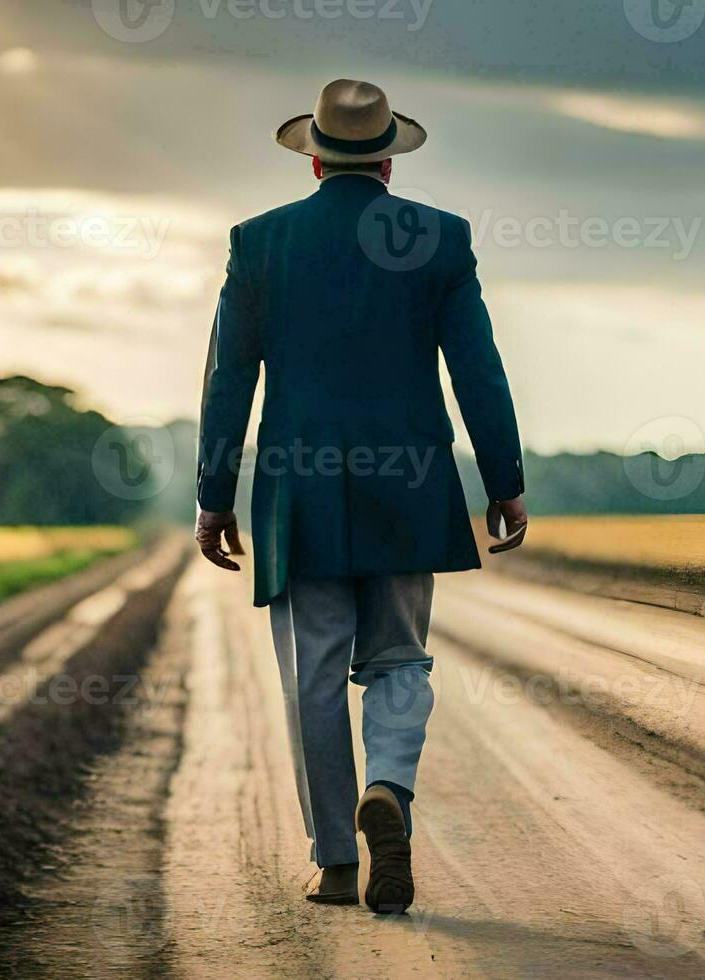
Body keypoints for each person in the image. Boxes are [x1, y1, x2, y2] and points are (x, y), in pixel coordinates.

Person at [194, 79, 529, 914]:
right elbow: (478, 370)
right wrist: (505, 483)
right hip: (408, 482)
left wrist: (213, 494)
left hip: (297, 488)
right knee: (400, 658)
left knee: (311, 678)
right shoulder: (442, 241)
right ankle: (388, 786)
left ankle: (337, 862)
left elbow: (228, 377)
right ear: (388, 158)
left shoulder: (258, 243)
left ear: (312, 157)